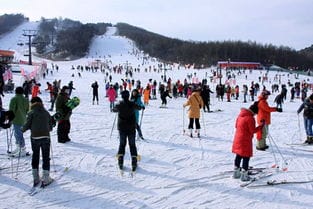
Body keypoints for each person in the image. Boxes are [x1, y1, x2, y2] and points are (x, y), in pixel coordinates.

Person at [21, 97, 54, 187]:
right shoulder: (46, 113)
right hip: (45, 137)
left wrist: (22, 129)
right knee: (45, 157)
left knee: (35, 156)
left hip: (35, 137)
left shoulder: (31, 112)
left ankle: (36, 177)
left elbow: (27, 125)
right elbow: (50, 128)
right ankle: (46, 178)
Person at [232, 102, 264, 181]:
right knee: (246, 156)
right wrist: (260, 126)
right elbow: (252, 131)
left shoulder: (240, 115)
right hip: (245, 139)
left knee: (239, 155)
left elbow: (236, 126)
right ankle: (244, 175)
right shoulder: (250, 118)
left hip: (237, 138)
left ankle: (236, 172)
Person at [113, 90, 143, 171]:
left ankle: (120, 161)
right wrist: (142, 107)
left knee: (122, 144)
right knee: (132, 145)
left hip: (122, 128)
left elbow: (114, 109)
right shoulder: (132, 103)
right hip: (131, 128)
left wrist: (117, 107)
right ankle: (134, 162)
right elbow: (139, 107)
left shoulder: (120, 104)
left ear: (122, 96)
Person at [9, 86, 29, 156]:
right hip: (23, 119)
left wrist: (10, 119)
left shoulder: (14, 99)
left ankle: (22, 149)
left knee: (18, 134)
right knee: (17, 133)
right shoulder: (26, 99)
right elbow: (28, 110)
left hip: (16, 119)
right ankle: (18, 147)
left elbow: (12, 110)